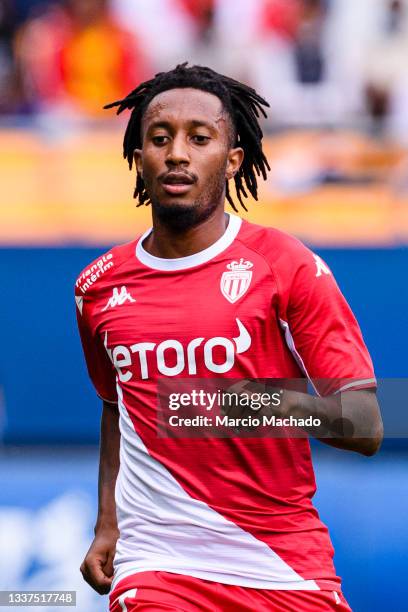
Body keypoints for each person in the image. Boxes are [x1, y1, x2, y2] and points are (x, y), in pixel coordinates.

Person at [75, 63, 383, 611]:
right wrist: (108, 524)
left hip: (284, 563)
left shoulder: (285, 265)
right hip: (159, 565)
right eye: (160, 138)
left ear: (232, 159)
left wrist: (251, 404)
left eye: (200, 138)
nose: (177, 154)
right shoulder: (99, 286)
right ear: (139, 157)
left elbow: (366, 423)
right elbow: (115, 406)